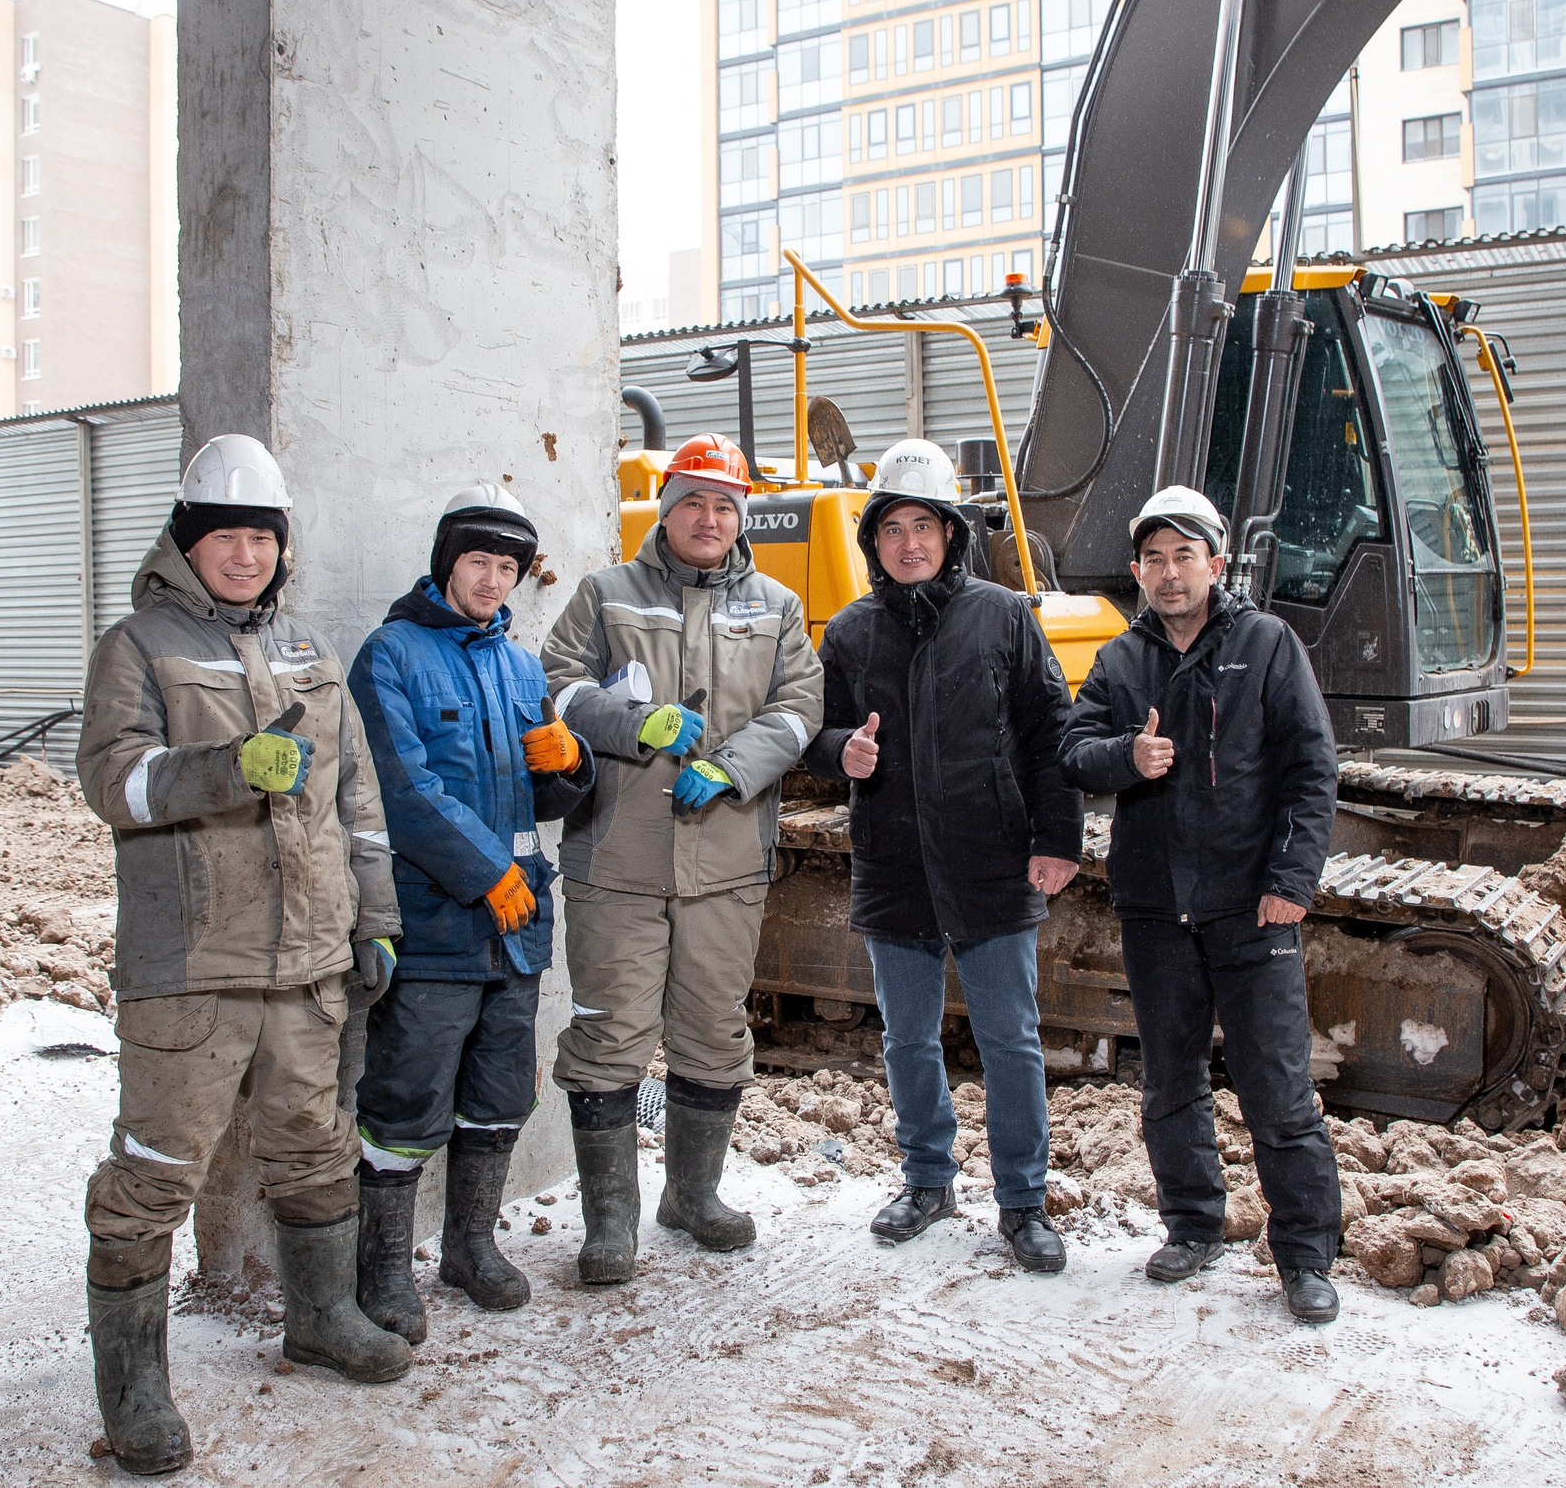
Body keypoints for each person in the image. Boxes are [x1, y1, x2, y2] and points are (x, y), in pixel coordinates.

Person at [76, 435, 410, 1476]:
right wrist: (226, 768)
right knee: (154, 1172)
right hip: (193, 964)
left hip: (307, 961)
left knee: (315, 1147)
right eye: (224, 537)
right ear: (186, 543)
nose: (244, 555)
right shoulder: (137, 647)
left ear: (280, 547)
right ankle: (135, 1392)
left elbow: (356, 799)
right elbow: (115, 783)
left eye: (261, 538)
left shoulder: (309, 649)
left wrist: (375, 917)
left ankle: (320, 1319)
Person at [539, 432, 823, 1283]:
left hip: (725, 860)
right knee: (608, 1035)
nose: (708, 518)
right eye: (692, 501)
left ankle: (692, 1196)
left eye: (724, 505)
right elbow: (555, 685)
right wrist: (633, 724)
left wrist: (732, 766)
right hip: (616, 860)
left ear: (742, 517)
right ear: (665, 510)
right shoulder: (606, 594)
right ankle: (610, 1223)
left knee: (712, 1031)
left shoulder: (776, 604)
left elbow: (800, 705)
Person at [1058, 486, 1344, 1324]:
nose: (1169, 573)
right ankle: (1192, 1225)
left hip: (1251, 910)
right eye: (1153, 558)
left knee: (1277, 1089)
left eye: (1184, 556)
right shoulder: (1121, 660)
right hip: (1157, 910)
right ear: (1137, 570)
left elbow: (1312, 769)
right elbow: (1073, 751)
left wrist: (1291, 883)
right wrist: (1128, 755)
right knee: (1170, 1084)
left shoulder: (1267, 644)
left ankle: (1305, 1256)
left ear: (1216, 564)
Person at [802, 440, 1083, 1272]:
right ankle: (927, 1179)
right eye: (893, 528)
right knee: (907, 1039)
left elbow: (1050, 731)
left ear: (951, 533)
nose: (910, 542)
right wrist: (840, 751)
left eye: (924, 525)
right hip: (894, 862)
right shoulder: (851, 631)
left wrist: (1057, 838)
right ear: (874, 542)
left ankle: (1023, 1199)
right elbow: (814, 732)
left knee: (1011, 1039)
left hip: (990, 857)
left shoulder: (1003, 615)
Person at [346, 485, 593, 1342]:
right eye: (478, 561)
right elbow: (400, 788)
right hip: (438, 923)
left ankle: (470, 1247)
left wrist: (572, 763)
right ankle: (382, 1268)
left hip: (516, 928)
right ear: (446, 561)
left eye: (507, 567)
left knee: (498, 1094)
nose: (492, 579)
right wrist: (485, 871)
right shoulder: (391, 655)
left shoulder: (521, 667)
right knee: (406, 1097)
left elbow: (542, 796)